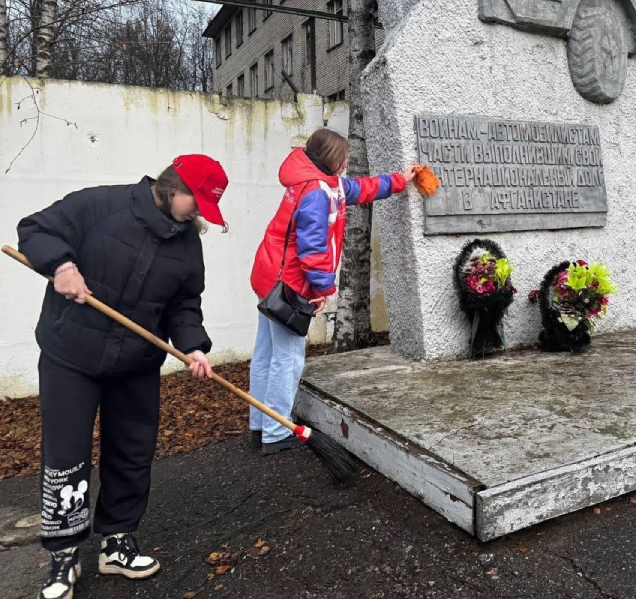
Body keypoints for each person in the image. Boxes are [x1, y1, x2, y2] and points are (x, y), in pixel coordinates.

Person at [18, 155, 228, 599]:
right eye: (198, 202)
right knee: (67, 454)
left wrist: (192, 345)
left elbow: (185, 302)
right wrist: (61, 266)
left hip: (136, 360)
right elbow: (35, 229)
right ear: (175, 187)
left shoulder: (188, 241)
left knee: (133, 451)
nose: (200, 214)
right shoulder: (99, 206)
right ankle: (63, 555)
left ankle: (116, 540)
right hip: (70, 354)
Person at [249, 129, 415, 454]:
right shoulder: (316, 193)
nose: (346, 162)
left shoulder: (325, 183)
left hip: (270, 275)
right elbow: (312, 250)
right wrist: (323, 289)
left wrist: (400, 180)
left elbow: (363, 188)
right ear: (330, 159)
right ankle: (274, 430)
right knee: (288, 359)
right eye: (343, 157)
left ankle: (261, 424)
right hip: (289, 284)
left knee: (267, 354)